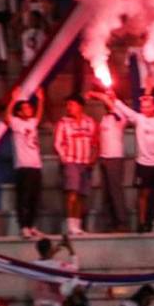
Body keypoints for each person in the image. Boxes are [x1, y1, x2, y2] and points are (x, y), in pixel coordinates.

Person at [90, 90, 154, 233]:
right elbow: (125, 110)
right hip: (144, 163)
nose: (144, 109)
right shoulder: (139, 119)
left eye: (147, 106)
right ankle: (142, 223)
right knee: (143, 194)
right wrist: (114, 98)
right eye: (142, 107)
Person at [53, 94, 98, 235]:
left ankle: (77, 225)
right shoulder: (63, 122)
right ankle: (70, 224)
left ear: (80, 106)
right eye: (67, 105)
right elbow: (57, 143)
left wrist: (93, 158)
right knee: (72, 193)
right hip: (71, 161)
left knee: (81, 195)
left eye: (71, 104)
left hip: (85, 163)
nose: (69, 108)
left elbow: (95, 143)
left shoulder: (90, 122)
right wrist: (64, 158)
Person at [94, 92, 128, 232]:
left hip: (115, 158)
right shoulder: (104, 118)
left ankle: (122, 222)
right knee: (106, 193)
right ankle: (109, 224)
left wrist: (100, 95)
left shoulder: (120, 118)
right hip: (104, 158)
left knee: (115, 191)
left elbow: (113, 107)